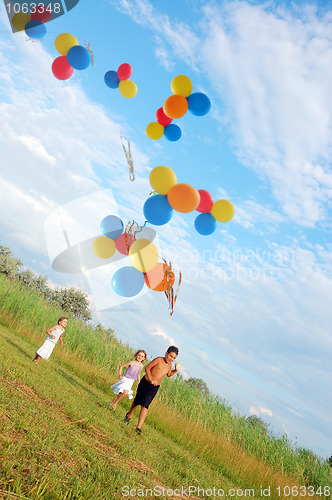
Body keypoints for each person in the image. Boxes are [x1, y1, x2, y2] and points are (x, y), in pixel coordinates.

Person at [124, 345, 179, 434]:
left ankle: (138, 427)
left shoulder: (170, 365)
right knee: (137, 401)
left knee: (145, 405)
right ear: (166, 353)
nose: (171, 359)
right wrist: (150, 379)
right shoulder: (158, 360)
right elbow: (147, 368)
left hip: (154, 387)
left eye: (174, 358)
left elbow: (169, 374)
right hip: (145, 382)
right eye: (170, 356)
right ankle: (130, 414)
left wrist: (175, 370)